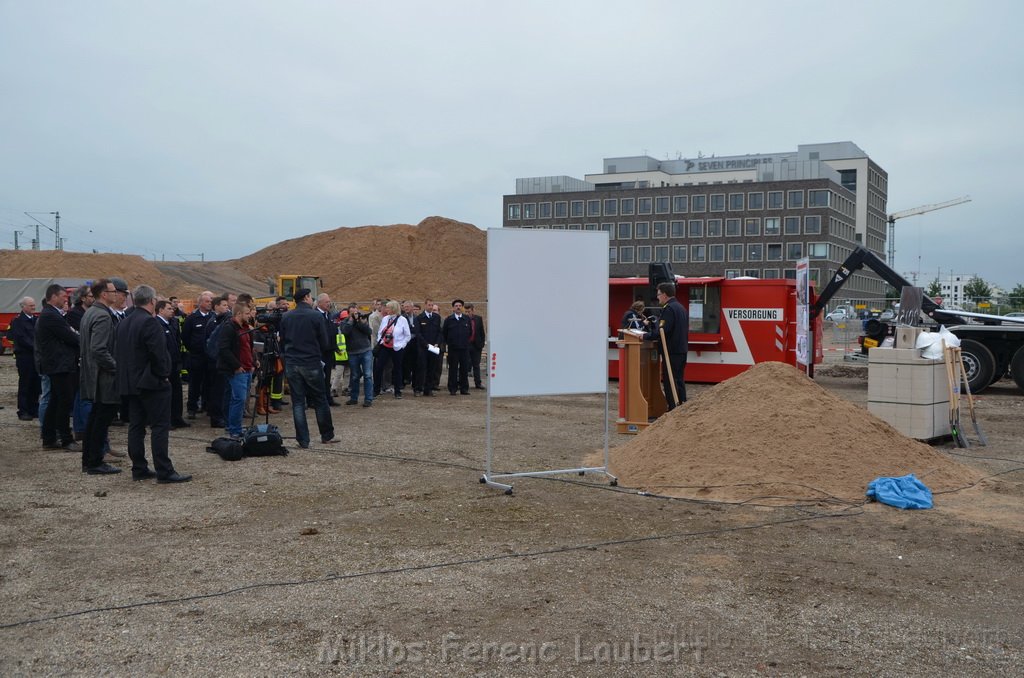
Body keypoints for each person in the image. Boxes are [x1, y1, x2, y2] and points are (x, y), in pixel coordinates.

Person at [116, 285, 191, 483]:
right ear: (151, 302)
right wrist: (163, 375)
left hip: (131, 383)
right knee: (159, 427)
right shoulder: (149, 323)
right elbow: (158, 354)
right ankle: (164, 471)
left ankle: (139, 468)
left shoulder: (124, 322)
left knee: (136, 426)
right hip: (151, 383)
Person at [279, 287, 337, 448]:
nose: (312, 299)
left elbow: (282, 341)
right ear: (306, 298)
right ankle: (326, 435)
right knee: (320, 399)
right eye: (311, 297)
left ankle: (303, 440)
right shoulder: (315, 316)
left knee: (298, 402)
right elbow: (325, 342)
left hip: (292, 363)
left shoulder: (286, 317)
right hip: (311, 362)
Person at [78, 279, 123, 475]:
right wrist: (116, 368)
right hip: (103, 378)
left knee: (95, 419)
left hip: (94, 375)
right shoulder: (102, 316)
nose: (116, 294)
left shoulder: (90, 312)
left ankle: (89, 460)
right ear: (104, 294)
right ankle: (95, 461)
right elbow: (98, 349)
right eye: (113, 291)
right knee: (101, 421)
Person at [35, 284, 81, 451]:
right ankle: (66, 439)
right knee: (64, 401)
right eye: (63, 297)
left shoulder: (52, 314)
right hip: (58, 365)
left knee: (56, 401)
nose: (65, 300)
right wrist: (78, 337)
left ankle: (49, 438)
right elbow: (70, 336)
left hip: (58, 364)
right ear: (53, 297)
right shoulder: (50, 316)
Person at [644, 282, 688, 411]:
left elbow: (662, 331)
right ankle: (682, 406)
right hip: (680, 350)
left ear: (664, 294)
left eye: (658, 294)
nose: (657, 297)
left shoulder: (669, 309)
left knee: (670, 382)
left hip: (671, 352)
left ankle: (673, 408)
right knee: (679, 380)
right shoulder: (680, 307)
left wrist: (645, 336)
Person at [217, 301, 256, 439]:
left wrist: (252, 362)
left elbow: (249, 347)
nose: (249, 316)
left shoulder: (246, 328)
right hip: (237, 370)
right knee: (238, 399)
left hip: (247, 369)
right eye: (246, 313)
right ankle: (234, 429)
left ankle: (236, 427)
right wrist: (236, 366)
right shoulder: (229, 327)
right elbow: (224, 349)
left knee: (239, 399)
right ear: (239, 314)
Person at [156, 299, 190, 428]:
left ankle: (177, 417)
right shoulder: (157, 324)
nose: (172, 311)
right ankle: (167, 419)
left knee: (177, 392)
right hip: (165, 364)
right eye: (169, 309)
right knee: (166, 394)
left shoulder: (173, 322)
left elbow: (177, 340)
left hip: (175, 362)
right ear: (160, 310)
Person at [181, 291, 214, 419]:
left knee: (209, 383)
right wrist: (194, 349)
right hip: (197, 357)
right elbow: (185, 336)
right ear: (200, 303)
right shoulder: (192, 318)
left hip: (210, 357)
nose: (209, 303)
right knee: (194, 384)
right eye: (207, 301)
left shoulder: (213, 317)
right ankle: (192, 408)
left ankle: (207, 406)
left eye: (210, 301)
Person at [10, 297, 41, 422]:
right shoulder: (17, 321)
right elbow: (22, 339)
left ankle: (34, 408)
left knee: (36, 384)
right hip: (25, 357)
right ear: (23, 307)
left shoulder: (36, 320)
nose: (33, 307)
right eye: (30, 305)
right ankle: (23, 410)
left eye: (34, 305)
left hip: (36, 357)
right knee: (25, 384)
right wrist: (37, 347)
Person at [373, 300, 411, 399]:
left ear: (393, 309)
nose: (386, 309)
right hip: (385, 346)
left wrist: (402, 345)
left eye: (388, 308)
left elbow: (407, 335)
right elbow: (380, 332)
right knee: (379, 367)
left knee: (397, 369)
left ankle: (398, 391)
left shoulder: (402, 320)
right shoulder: (385, 319)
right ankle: (376, 390)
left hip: (397, 347)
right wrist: (380, 342)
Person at [341, 306, 374, 407]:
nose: (355, 314)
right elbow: (345, 332)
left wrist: (361, 322)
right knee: (355, 376)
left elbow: (369, 332)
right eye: (352, 313)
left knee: (368, 375)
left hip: (365, 350)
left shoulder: (362, 321)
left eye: (356, 312)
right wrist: (351, 320)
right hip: (352, 352)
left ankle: (368, 399)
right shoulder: (345, 322)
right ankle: (354, 398)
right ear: (349, 313)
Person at [442, 299, 472, 395]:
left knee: (464, 369)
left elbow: (470, 332)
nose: (458, 307)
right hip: (453, 349)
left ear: (462, 307)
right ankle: (453, 389)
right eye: (456, 306)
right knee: (453, 369)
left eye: (460, 305)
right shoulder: (449, 320)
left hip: (464, 348)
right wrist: (450, 342)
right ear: (453, 308)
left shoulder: (466, 319)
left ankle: (464, 389)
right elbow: (444, 333)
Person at [414, 301, 442, 397]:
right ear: (425, 306)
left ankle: (428, 389)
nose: (430, 307)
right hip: (423, 348)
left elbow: (439, 332)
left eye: (432, 305)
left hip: (434, 348)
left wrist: (437, 343)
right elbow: (418, 333)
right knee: (421, 368)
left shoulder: (436, 317)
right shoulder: (419, 318)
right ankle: (418, 388)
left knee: (432, 368)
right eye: (429, 305)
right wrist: (425, 344)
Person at [465, 303, 486, 390]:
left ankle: (478, 383)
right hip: (466, 345)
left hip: (476, 346)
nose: (467, 313)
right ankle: (463, 383)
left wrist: (481, 344)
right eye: (466, 311)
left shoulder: (478, 319)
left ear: (473, 310)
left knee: (476, 365)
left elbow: (482, 332)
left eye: (468, 311)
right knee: (465, 365)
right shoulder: (463, 319)